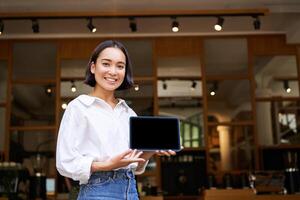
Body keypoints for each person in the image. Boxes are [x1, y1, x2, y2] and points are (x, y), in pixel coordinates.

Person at [56, 40, 176, 200]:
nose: (113, 71)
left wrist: (150, 151)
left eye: (120, 66)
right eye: (106, 64)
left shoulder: (128, 112)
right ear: (93, 67)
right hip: (97, 190)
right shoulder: (78, 107)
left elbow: (135, 166)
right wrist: (108, 165)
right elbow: (64, 162)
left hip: (130, 190)